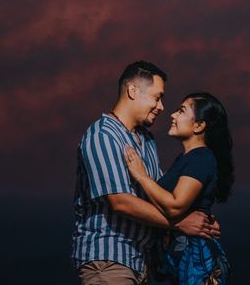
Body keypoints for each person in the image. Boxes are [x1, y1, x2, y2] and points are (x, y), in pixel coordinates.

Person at [72, 61, 220, 285]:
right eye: (156, 97)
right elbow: (121, 202)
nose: (161, 106)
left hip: (143, 264)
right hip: (110, 260)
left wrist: (203, 222)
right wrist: (180, 224)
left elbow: (159, 194)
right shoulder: (103, 136)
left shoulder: (147, 140)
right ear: (133, 91)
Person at [125, 92, 234, 285]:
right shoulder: (186, 159)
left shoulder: (201, 158)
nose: (173, 115)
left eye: (181, 111)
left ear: (199, 126)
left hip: (194, 265)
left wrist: (141, 176)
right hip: (180, 264)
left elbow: (176, 205)